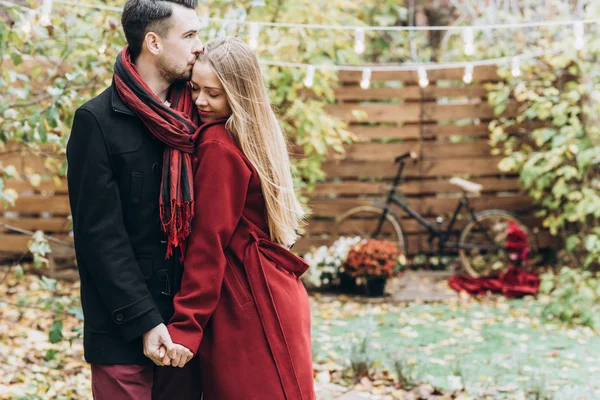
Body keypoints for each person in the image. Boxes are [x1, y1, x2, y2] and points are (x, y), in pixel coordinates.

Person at [152, 36, 316, 399]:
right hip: (273, 294)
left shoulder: (217, 144)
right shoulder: (254, 135)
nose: (200, 102)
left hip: (248, 307)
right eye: (195, 89)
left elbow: (207, 244)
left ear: (240, 94)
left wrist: (186, 326)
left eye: (214, 93)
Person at [66, 0, 204, 398]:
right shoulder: (96, 121)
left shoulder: (201, 112)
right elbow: (99, 236)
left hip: (186, 327)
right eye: (190, 35)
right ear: (154, 43)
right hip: (121, 328)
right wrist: (145, 322)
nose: (200, 46)